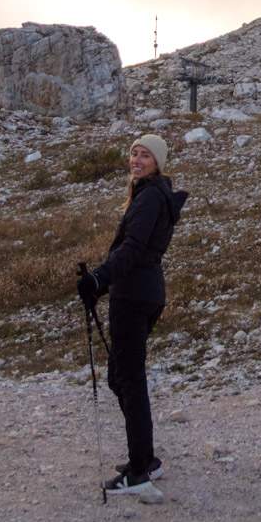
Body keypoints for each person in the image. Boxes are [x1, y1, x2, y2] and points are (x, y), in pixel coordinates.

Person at [77, 133, 187, 495]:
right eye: (133, 154)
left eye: (145, 156)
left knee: (129, 381)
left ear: (157, 163)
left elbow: (134, 248)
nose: (136, 160)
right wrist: (102, 284)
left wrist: (99, 279)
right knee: (121, 377)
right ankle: (145, 458)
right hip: (143, 292)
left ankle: (139, 471)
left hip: (134, 296)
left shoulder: (150, 197)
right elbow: (134, 251)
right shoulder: (151, 195)